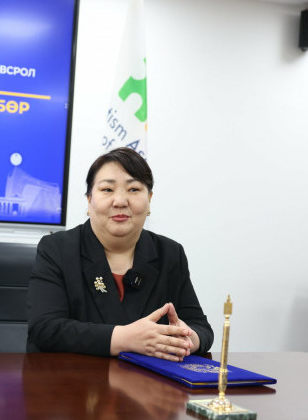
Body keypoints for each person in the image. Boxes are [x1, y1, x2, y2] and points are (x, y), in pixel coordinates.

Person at [27, 147, 213, 361]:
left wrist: (187, 338)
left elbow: (201, 328)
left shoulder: (170, 253)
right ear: (89, 199)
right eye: (107, 189)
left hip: (147, 380)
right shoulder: (57, 248)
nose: (120, 201)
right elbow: (45, 329)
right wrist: (125, 338)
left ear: (149, 199)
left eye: (134, 189)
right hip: (75, 377)